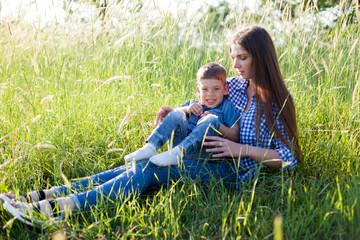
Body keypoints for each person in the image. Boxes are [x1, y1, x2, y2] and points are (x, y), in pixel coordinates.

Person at [0, 24, 301, 226]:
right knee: (133, 168)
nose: (235, 65)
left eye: (242, 58)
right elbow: (205, 104)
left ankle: (51, 210)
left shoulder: (276, 102)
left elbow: (287, 158)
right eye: (234, 57)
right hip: (200, 151)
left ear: (261, 57)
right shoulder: (234, 86)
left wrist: (239, 148)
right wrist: (180, 112)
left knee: (147, 169)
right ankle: (37, 197)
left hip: (229, 170)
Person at [124, 62, 240, 166]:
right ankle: (151, 146)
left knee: (211, 120)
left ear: (225, 90)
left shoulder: (226, 107)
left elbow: (235, 136)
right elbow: (176, 117)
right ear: (199, 90)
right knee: (177, 113)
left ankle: (180, 152)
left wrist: (216, 124)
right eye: (205, 89)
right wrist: (187, 108)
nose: (210, 94)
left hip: (203, 154)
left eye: (216, 89)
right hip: (175, 149)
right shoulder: (193, 104)